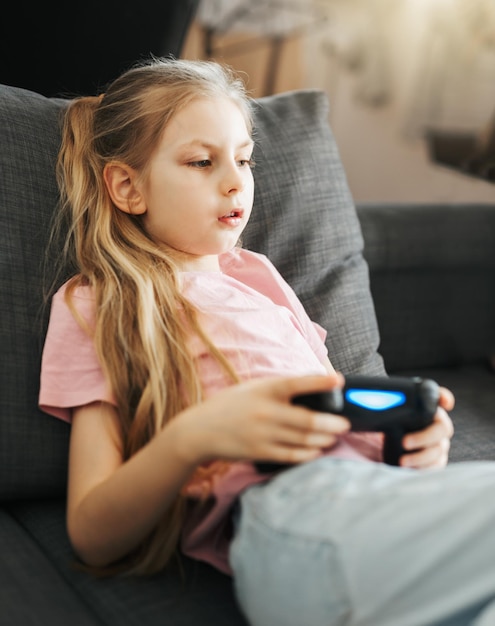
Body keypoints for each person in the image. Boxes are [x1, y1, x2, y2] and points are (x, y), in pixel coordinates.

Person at [38, 57, 495, 626]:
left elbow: (336, 408)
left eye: (245, 159)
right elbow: (91, 531)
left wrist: (413, 454)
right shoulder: (99, 300)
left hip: (372, 504)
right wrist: (194, 436)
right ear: (128, 187)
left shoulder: (258, 276)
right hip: (291, 512)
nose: (235, 181)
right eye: (202, 162)